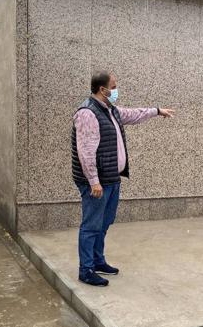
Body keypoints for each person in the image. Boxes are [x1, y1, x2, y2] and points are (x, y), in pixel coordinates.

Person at [72, 71, 175, 287]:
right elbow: (86, 152)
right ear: (103, 90)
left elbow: (133, 114)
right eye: (114, 86)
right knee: (91, 225)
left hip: (112, 178)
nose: (116, 90)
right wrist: (94, 181)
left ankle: (98, 261)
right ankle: (86, 269)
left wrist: (156, 111)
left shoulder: (111, 111)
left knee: (104, 222)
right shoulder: (88, 113)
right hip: (98, 183)